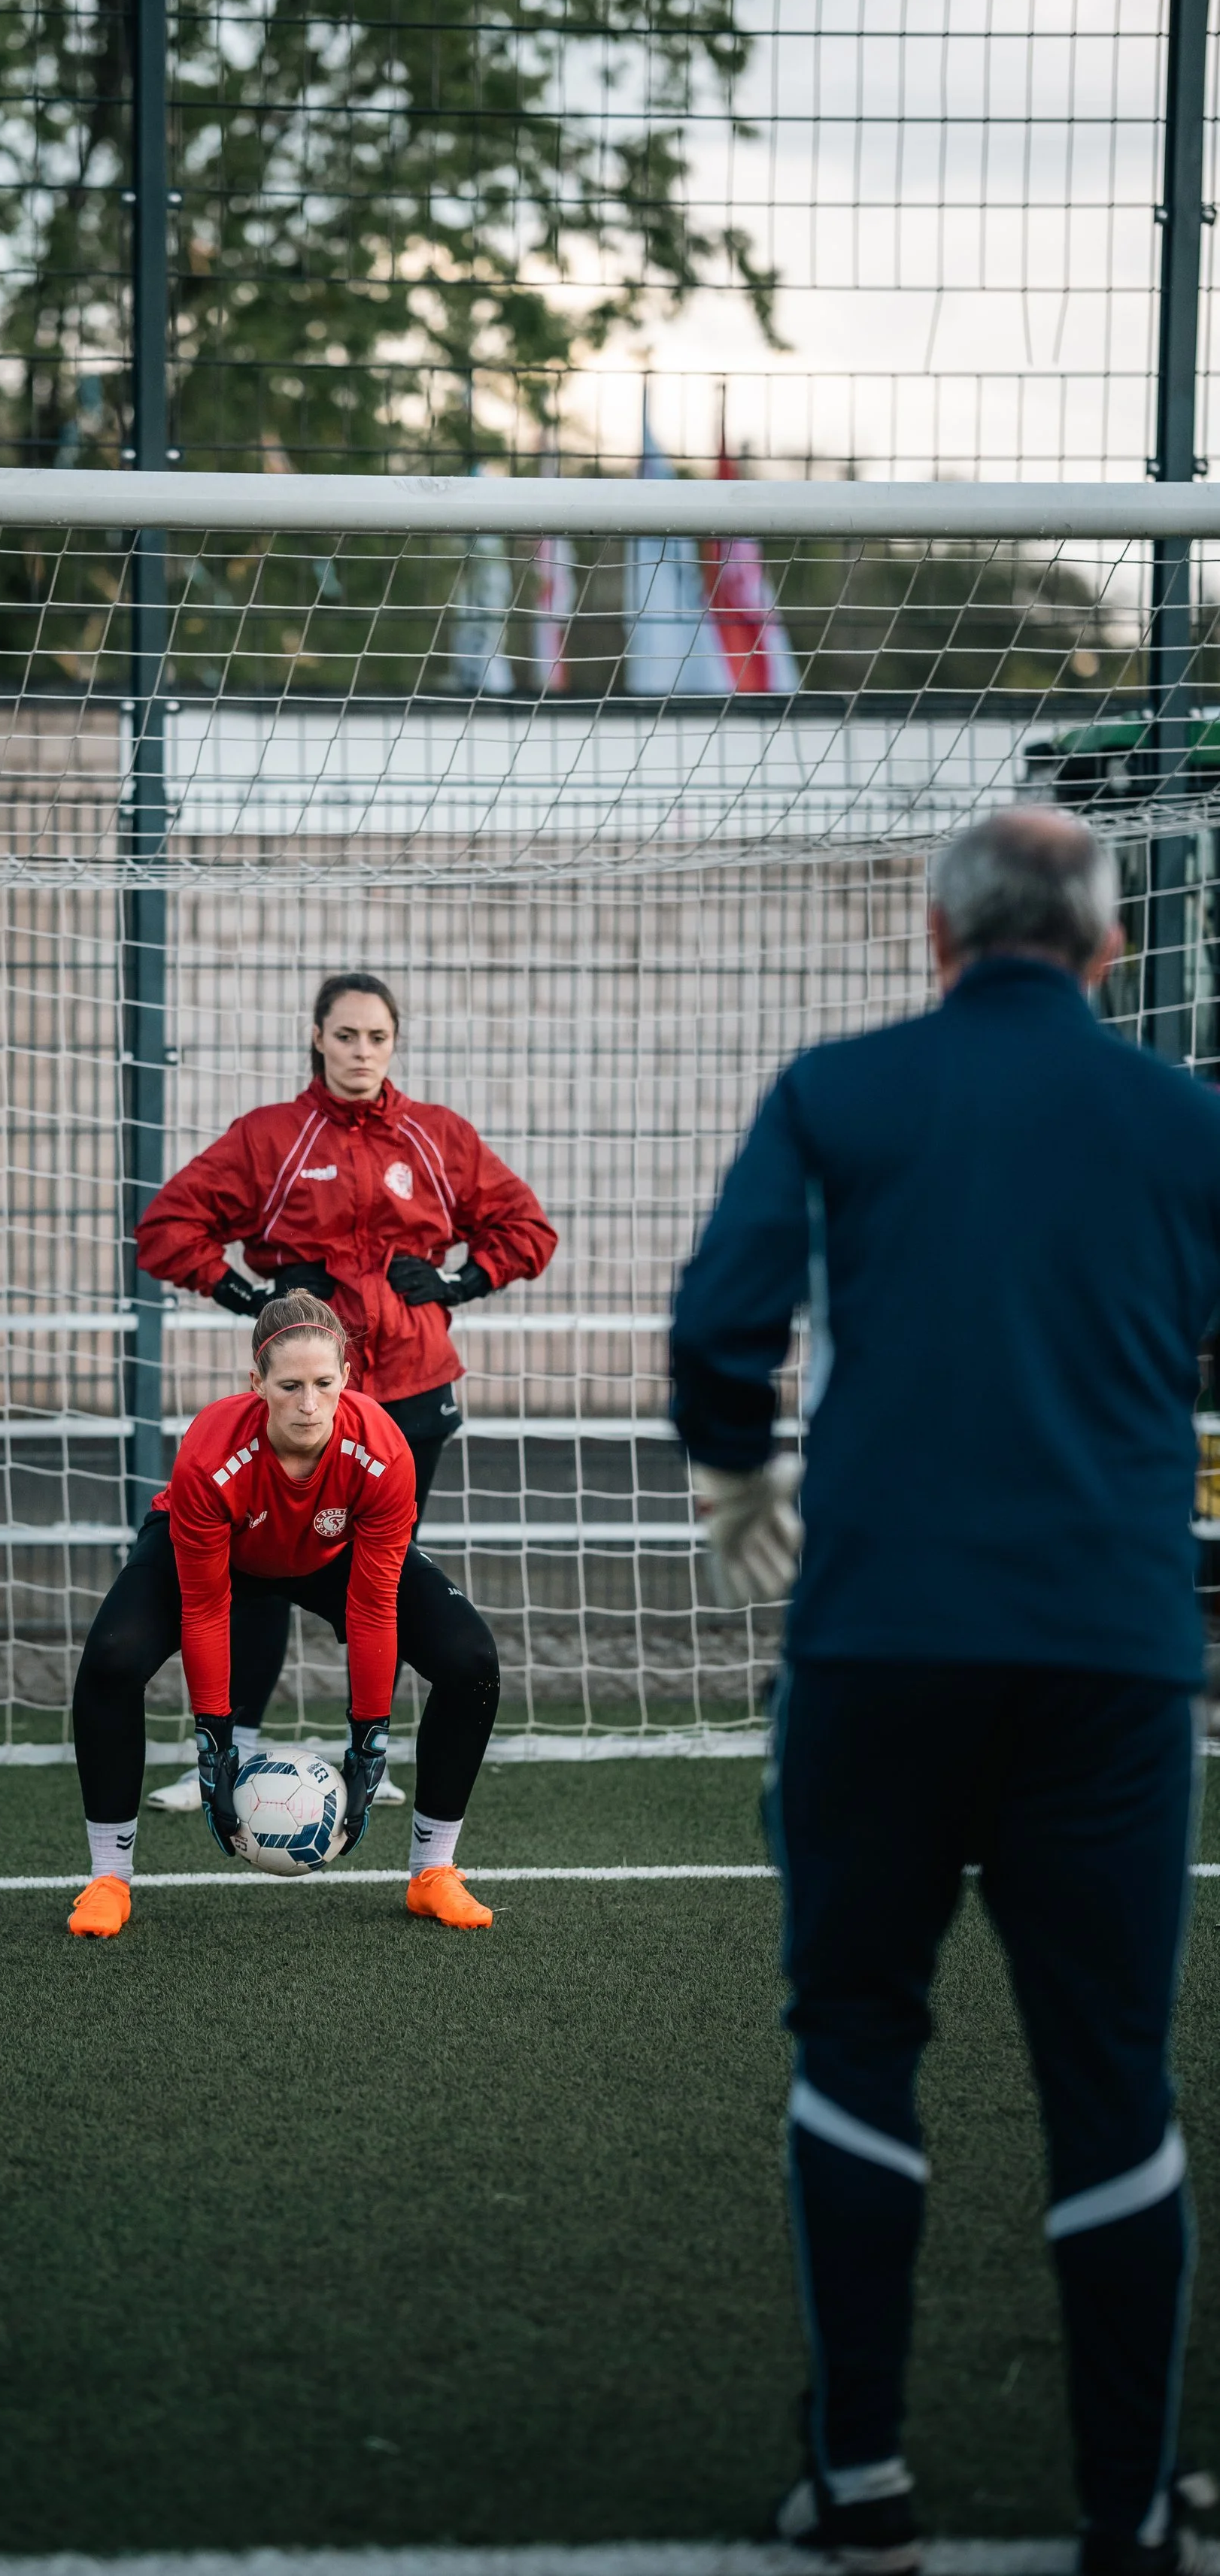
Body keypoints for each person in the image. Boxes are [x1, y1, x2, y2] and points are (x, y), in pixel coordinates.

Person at [670, 808, 1220, 2576]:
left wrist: (740, 1473)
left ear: (934, 937)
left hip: (879, 1642)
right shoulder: (1190, 1122)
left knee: (855, 2036)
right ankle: (1129, 2513)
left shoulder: (839, 1087)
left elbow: (714, 1325)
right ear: (1109, 947)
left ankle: (864, 2483)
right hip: (1112, 1658)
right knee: (1111, 2077)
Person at [135, 971, 555, 1811]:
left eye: (377, 1037)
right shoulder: (270, 1137)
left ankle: (372, 1748)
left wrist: (458, 1285)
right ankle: (231, 1749)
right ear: (316, 1038)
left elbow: (528, 1229)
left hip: (408, 1391)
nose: (362, 1052)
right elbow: (166, 1227)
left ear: (393, 1044)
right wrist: (243, 1294)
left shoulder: (437, 1137)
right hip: (303, 1391)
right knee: (257, 1569)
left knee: (379, 1572)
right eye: (346, 1035)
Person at [67, 1291, 502, 1939]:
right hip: (222, 1554)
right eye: (290, 1385)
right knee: (111, 1659)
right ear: (257, 1384)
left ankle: (433, 1871)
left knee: (471, 1660)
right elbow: (210, 1609)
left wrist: (368, 1745)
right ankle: (109, 1878)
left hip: (330, 1554)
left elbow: (374, 1605)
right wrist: (214, 1748)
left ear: (346, 1380)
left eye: (324, 1384)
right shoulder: (211, 1456)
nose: (308, 1403)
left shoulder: (383, 1451)